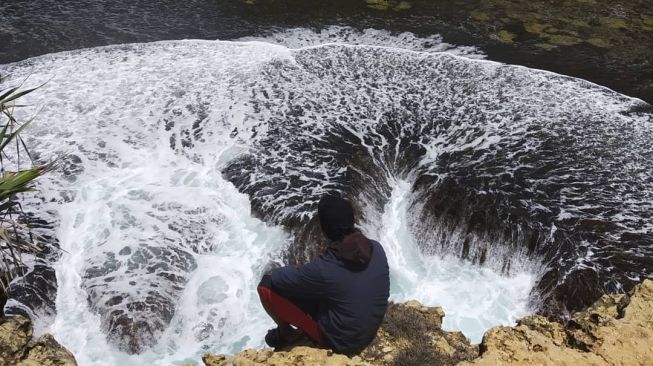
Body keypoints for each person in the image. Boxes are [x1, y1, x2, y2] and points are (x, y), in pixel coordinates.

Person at [257, 195, 390, 355]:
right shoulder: (376, 248)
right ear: (352, 220)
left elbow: (277, 278)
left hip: (342, 342)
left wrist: (299, 270)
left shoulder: (324, 268)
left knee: (266, 286)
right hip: (369, 330)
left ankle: (286, 332)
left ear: (324, 228)